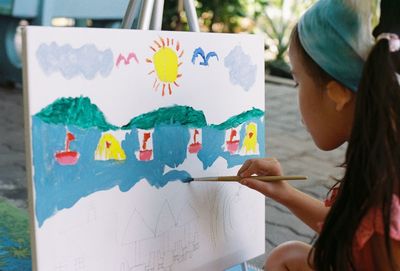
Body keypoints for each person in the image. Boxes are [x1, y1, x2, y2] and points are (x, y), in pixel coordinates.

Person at [238, 0, 400, 270]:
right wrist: (284, 193)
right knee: (287, 255)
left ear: (337, 94)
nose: (297, 96)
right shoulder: (380, 156)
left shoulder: (389, 201)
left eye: (298, 82)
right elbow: (350, 227)